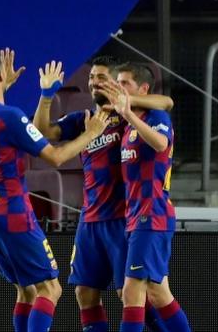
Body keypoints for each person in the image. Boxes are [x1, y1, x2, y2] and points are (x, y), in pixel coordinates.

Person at [0, 47, 109, 332]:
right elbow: (54, 157)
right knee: (50, 289)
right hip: (14, 215)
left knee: (26, 291)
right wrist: (91, 134)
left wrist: (3, 86)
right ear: (3, 73)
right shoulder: (11, 116)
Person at [32, 56, 173, 332]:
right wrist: (46, 96)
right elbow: (41, 131)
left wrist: (126, 103)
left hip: (124, 216)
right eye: (91, 78)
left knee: (133, 296)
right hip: (91, 218)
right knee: (84, 292)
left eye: (101, 78)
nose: (94, 82)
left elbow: (166, 103)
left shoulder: (128, 117)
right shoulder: (85, 119)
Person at [105, 63, 191, 332]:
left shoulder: (155, 117)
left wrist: (129, 113)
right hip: (134, 216)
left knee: (132, 292)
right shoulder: (126, 123)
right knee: (157, 292)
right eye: (117, 82)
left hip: (151, 213)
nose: (119, 87)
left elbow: (161, 144)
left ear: (142, 89)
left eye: (125, 83)